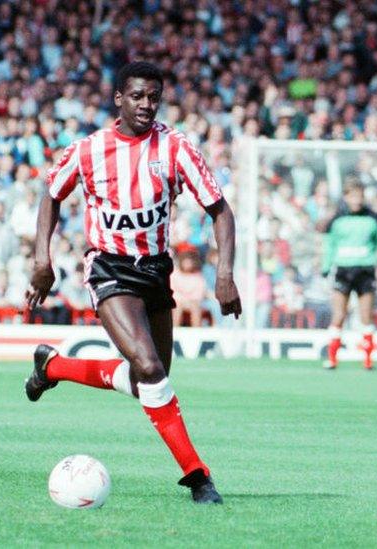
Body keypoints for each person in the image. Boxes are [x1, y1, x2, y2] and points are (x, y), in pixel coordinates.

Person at [24, 61, 241, 504]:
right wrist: (41, 258)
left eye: (154, 97)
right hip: (109, 267)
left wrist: (224, 274)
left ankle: (54, 366)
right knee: (150, 368)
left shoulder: (176, 147)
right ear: (119, 99)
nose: (147, 104)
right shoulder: (88, 150)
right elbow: (51, 195)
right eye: (138, 96)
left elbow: (219, 209)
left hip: (156, 270)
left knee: (150, 380)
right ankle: (198, 476)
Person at [318, 181, 377, 369]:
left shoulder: (374, 219)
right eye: (353, 196)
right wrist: (325, 270)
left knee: (365, 315)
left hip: (365, 271)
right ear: (346, 197)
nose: (357, 200)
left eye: (360, 196)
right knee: (339, 314)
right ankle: (332, 358)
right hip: (343, 270)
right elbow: (329, 245)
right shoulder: (337, 220)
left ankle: (367, 359)